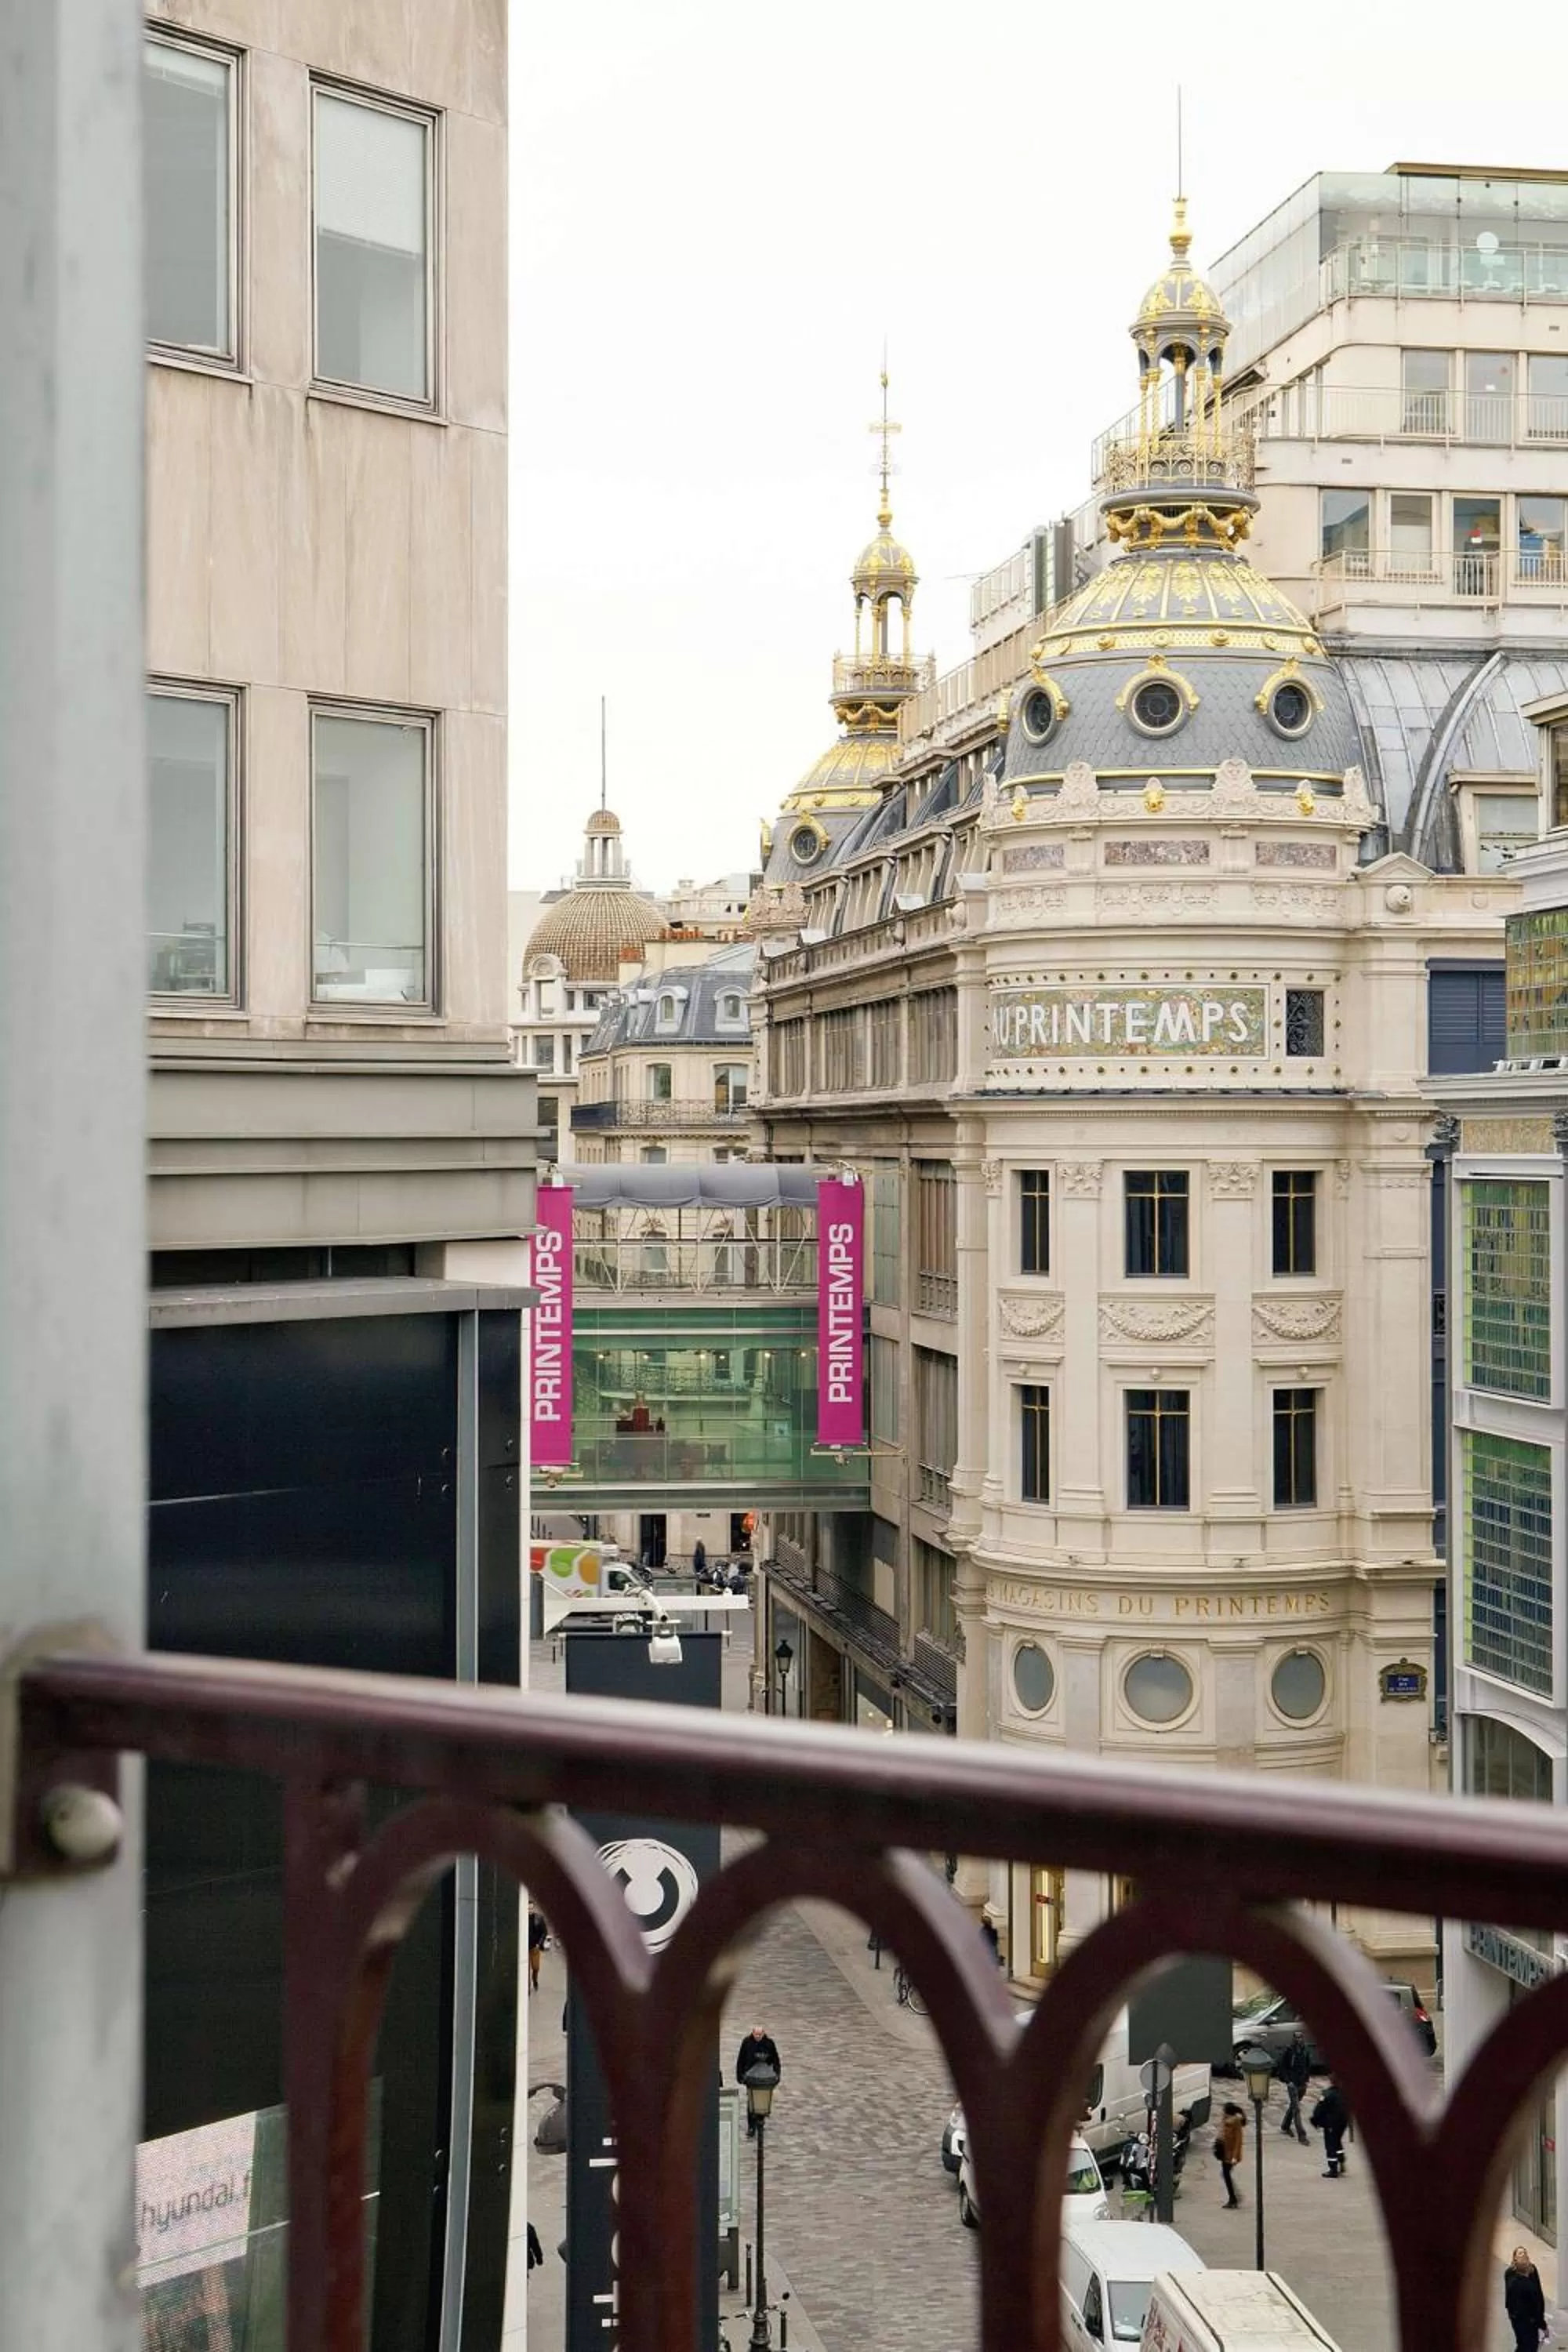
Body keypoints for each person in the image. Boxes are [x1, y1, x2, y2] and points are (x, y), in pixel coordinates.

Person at [735, 2024, 781, 2136]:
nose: (758, 2036)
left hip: (765, 2077)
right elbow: (741, 2059)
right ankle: (752, 2126)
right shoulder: (747, 2042)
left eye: (760, 2034)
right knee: (751, 2101)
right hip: (751, 2077)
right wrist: (740, 2076)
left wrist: (777, 2074)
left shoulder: (769, 2043)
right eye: (756, 2034)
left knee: (763, 2100)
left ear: (764, 2033)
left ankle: (760, 2121)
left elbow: (775, 2059)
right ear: (753, 2033)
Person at [1504, 2245, 1548, 2352]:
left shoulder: (1532, 2271)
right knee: (1526, 2345)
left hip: (1531, 2318)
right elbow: (1513, 2296)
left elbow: (1538, 2294)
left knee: (1528, 2346)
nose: (1523, 2255)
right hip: (1520, 2317)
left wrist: (1541, 2317)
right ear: (1514, 2258)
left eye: (1525, 2253)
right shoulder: (1511, 2275)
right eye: (1520, 2253)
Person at [1276, 2027, 1312, 2145]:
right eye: (1296, 2037)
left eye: (1300, 2037)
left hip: (1302, 2083)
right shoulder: (1289, 2051)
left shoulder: (1305, 2050)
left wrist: (1306, 2080)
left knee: (1294, 2106)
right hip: (1292, 2083)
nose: (1298, 2039)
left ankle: (1285, 2126)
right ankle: (1302, 2135)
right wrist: (1288, 2081)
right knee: (1296, 2108)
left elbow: (1308, 2065)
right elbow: (1282, 2067)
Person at [1311, 2076, 1349, 2178]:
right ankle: (1341, 2160)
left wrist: (1315, 2121)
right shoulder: (1345, 2093)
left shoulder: (1327, 2094)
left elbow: (1319, 2109)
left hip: (1331, 2123)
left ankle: (1333, 2169)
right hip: (1343, 2123)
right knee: (1337, 2141)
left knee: (1330, 2145)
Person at [1218, 2101, 1246, 2209]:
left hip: (1231, 2156)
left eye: (1224, 2112)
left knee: (1225, 2175)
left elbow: (1238, 2141)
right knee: (1225, 2174)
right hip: (1224, 2153)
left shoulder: (1236, 2124)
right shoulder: (1226, 2121)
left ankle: (1234, 2198)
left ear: (1228, 2113)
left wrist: (1235, 2157)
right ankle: (1234, 2197)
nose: (1222, 2114)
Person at [527, 1905, 547, 1994]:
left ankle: (535, 1979)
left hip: (535, 1947)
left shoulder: (538, 1918)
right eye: (528, 1908)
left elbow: (544, 1932)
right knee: (526, 1969)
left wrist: (539, 1944)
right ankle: (527, 1987)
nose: (530, 1910)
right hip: (525, 1948)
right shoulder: (522, 1919)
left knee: (536, 1967)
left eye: (531, 1908)